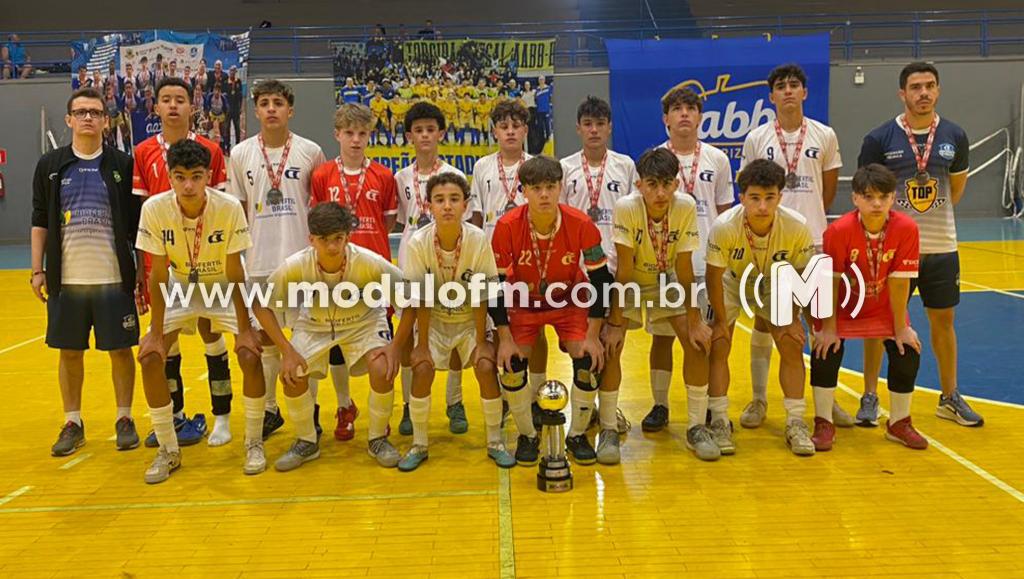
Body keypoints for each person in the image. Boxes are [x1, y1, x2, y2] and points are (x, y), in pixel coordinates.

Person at [857, 61, 982, 427]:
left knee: (943, 320)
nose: (923, 92)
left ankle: (949, 396)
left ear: (938, 90)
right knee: (878, 323)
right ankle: (869, 396)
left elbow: (954, 192)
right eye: (915, 87)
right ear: (902, 94)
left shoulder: (955, 136)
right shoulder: (878, 139)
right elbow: (869, 195)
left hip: (941, 246)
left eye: (929, 85)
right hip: (891, 250)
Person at [135, 139, 266, 483]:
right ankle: (168, 449)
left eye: (196, 176)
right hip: (180, 283)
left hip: (222, 283)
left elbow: (236, 271)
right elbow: (158, 272)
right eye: (180, 177)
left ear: (209, 175)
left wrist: (245, 329)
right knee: (150, 357)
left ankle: (253, 442)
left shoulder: (227, 208)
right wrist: (155, 332)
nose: (188, 185)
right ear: (169, 176)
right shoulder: (153, 208)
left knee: (251, 355)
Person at [253, 203, 410, 470]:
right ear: (311, 239)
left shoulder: (369, 262)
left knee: (383, 367)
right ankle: (306, 441)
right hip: (314, 325)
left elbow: (412, 300)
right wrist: (287, 350)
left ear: (347, 236)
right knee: (291, 373)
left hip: (364, 323)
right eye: (324, 240)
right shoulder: (296, 265)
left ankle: (377, 439)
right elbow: (260, 304)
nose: (332, 247)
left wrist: (395, 347)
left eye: (338, 238)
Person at [31, 88, 143, 457]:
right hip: (68, 281)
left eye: (95, 112)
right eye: (80, 112)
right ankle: (73, 422)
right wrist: (37, 270)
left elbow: (136, 224)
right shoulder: (50, 165)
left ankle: (124, 418)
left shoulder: (123, 165)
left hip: (114, 279)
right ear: (69, 120)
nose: (88, 118)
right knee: (69, 352)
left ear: (106, 120)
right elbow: (39, 220)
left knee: (121, 351)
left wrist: (140, 272)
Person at [739, 63, 848, 429]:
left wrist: (809, 219)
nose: (788, 91)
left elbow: (828, 191)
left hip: (813, 240)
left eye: (794, 85)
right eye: (781, 86)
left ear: (804, 92)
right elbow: (752, 188)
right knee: (764, 320)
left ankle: (824, 401)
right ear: (771, 96)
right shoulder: (756, 139)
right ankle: (758, 399)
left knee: (818, 323)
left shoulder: (824, 135)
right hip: (767, 242)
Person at [491, 156, 613, 465]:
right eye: (536, 188)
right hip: (523, 303)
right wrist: (504, 339)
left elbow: (601, 280)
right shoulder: (506, 227)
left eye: (550, 187)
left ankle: (577, 434)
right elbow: (495, 287)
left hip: (569, 301)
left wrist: (594, 334)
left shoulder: (581, 223)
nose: (544, 194)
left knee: (588, 360)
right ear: (523, 191)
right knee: (513, 363)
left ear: (561, 188)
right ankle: (528, 435)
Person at [132, 77, 230, 447]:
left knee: (212, 334)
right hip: (165, 264)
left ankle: (221, 416)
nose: (173, 106)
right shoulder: (143, 152)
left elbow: (221, 210)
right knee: (165, 343)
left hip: (207, 264)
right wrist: (144, 273)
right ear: (155, 107)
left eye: (180, 100)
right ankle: (174, 417)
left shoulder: (211, 150)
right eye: (166, 100)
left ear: (192, 106)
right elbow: (141, 213)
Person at [227, 79, 326, 439]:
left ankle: (309, 411)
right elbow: (236, 211)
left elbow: (319, 209)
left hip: (302, 261)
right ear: (256, 111)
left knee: (305, 342)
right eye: (265, 103)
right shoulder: (239, 155)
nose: (271, 108)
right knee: (266, 340)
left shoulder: (311, 151)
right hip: (258, 260)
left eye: (278, 103)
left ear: (290, 110)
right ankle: (270, 409)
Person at [398, 173, 516, 470]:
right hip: (435, 320)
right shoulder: (417, 243)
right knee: (422, 367)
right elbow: (421, 299)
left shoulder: (477, 240)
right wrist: (421, 345)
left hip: (468, 320)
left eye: (454, 200)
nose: (447, 206)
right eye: (439, 200)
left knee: (486, 365)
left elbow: (483, 295)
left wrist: (481, 343)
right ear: (429, 206)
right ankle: (419, 443)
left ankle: (494, 441)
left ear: (466, 205)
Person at [605, 147, 713, 460]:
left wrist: (694, 320)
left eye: (667, 183)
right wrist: (614, 324)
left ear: (677, 184)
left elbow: (684, 267)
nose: (661, 192)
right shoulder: (626, 207)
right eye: (652, 184)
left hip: (667, 279)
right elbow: (623, 270)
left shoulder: (685, 206)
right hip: (632, 279)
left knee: (695, 344)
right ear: (639, 185)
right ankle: (609, 428)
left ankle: (695, 427)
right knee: (612, 347)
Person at [811, 164, 927, 451]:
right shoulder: (838, 231)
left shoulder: (907, 229)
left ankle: (899, 423)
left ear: (893, 198)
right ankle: (823, 421)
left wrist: (900, 327)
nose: (876, 203)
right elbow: (830, 282)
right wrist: (828, 328)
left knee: (907, 348)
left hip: (883, 306)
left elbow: (901, 283)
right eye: (868, 196)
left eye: (883, 196)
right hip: (842, 306)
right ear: (855, 199)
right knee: (825, 349)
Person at [705, 159, 817, 456]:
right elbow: (714, 277)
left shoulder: (796, 226)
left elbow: (803, 275)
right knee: (719, 344)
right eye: (755, 198)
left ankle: (795, 420)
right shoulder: (724, 226)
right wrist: (718, 321)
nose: (763, 206)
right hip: (732, 279)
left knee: (791, 343)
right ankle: (718, 418)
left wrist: (793, 318)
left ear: (780, 196)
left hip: (777, 282)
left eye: (770, 197)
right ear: (742, 197)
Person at [645, 87, 734, 433]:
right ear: (666, 119)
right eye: (676, 109)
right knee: (662, 337)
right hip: (666, 265)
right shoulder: (652, 159)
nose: (684, 114)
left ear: (700, 117)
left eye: (690, 108)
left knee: (709, 338)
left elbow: (727, 215)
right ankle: (660, 405)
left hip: (708, 264)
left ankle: (712, 407)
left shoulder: (718, 159)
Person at [310, 102, 399, 441]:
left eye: (362, 133)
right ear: (337, 135)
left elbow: (387, 221)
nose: (356, 140)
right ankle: (345, 404)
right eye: (349, 133)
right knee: (335, 341)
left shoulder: (383, 176)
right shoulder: (322, 176)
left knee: (379, 343)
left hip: (373, 271)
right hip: (333, 270)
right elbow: (319, 221)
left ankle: (382, 411)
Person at [394, 102, 475, 436]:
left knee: (453, 333)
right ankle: (410, 407)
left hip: (449, 265)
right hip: (412, 264)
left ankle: (454, 401)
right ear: (409, 136)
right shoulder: (400, 177)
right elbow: (401, 222)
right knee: (409, 337)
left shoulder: (455, 175)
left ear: (441, 133)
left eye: (431, 129)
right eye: (418, 130)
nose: (425, 135)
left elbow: (467, 223)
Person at [559, 96, 636, 436]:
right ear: (578, 128)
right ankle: (587, 408)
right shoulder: (563, 168)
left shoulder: (626, 166)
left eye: (599, 123)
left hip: (617, 267)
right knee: (584, 346)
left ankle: (607, 411)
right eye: (587, 124)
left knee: (612, 343)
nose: (593, 130)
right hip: (578, 271)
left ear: (609, 127)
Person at [470, 99, 550, 423]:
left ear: (526, 130)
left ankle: (538, 392)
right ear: (495, 132)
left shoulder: (538, 166)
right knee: (500, 330)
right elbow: (476, 216)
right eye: (504, 127)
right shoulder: (482, 168)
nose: (511, 131)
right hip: (494, 258)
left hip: (531, 257)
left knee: (536, 328)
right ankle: (509, 395)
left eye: (516, 126)